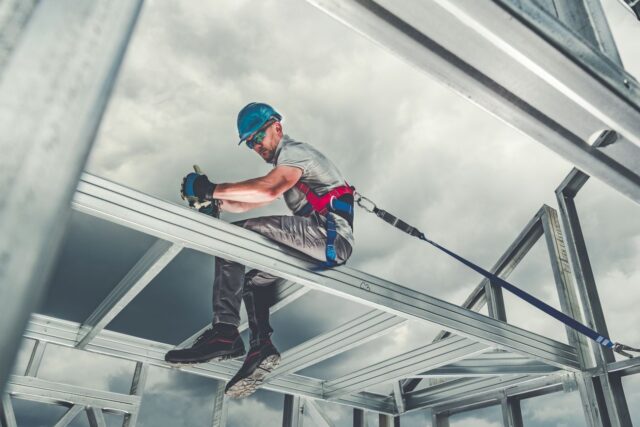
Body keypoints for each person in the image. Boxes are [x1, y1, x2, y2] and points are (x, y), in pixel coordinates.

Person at [164, 102, 355, 398]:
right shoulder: (287, 165)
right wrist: (216, 203)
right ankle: (260, 346)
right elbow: (252, 201)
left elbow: (267, 189)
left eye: (257, 137)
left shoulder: (295, 153)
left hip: (327, 236)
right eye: (250, 143)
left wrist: (210, 188)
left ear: (276, 126)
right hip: (316, 243)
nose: (255, 146)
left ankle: (225, 333)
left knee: (236, 238)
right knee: (253, 281)